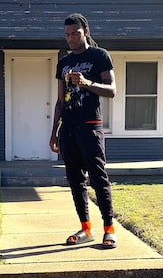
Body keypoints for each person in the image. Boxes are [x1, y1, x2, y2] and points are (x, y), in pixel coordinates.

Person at [49, 13, 117, 249]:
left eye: (75, 33)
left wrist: (87, 83)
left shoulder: (99, 56)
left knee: (98, 178)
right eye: (67, 35)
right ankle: (85, 229)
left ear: (85, 31)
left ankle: (109, 229)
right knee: (75, 180)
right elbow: (59, 101)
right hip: (68, 128)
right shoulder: (63, 63)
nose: (70, 39)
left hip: (90, 126)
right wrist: (54, 132)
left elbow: (112, 90)